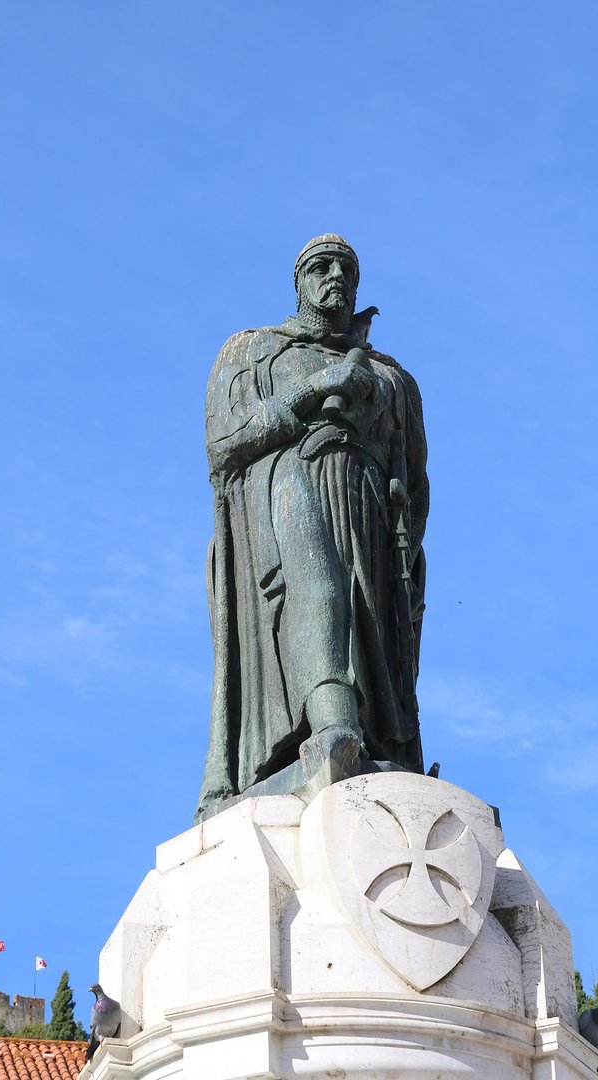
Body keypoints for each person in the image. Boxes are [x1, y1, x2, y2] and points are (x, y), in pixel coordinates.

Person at [196, 235, 428, 820]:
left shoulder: (393, 378)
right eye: (321, 268)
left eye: (347, 270)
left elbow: (416, 481)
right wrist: (315, 390)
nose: (336, 278)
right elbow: (224, 445)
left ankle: (369, 741)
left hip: (366, 507)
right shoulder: (253, 351)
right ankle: (329, 728)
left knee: (363, 614)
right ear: (298, 283)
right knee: (317, 591)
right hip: (284, 485)